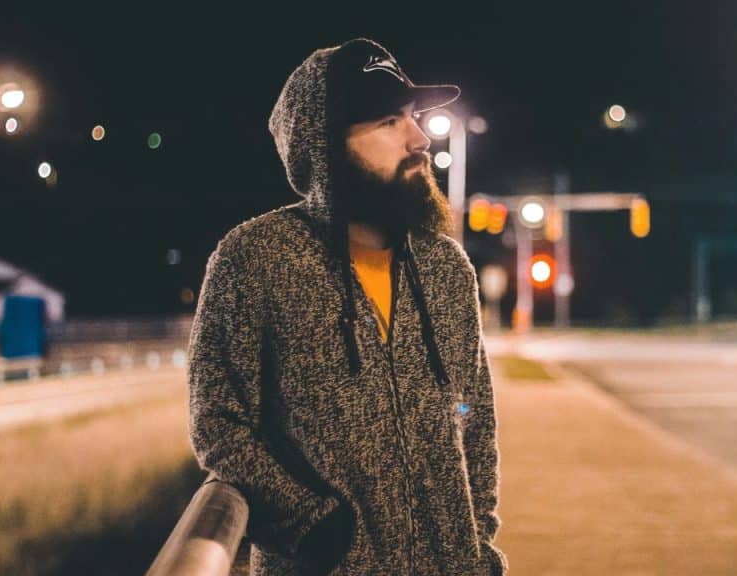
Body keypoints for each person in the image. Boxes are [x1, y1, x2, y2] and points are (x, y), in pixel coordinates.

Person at [187, 37, 507, 576]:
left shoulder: (446, 268)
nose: (418, 138)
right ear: (324, 147)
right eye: (387, 122)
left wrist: (478, 548)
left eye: (412, 116)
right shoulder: (255, 259)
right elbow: (219, 421)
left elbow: (474, 418)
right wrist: (311, 526)